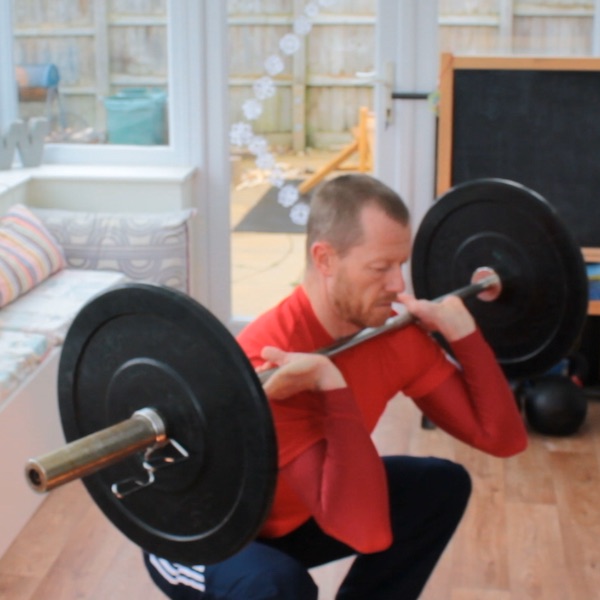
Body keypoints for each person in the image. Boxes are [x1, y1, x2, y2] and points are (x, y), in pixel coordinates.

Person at [144, 174, 528, 599]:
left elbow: (503, 439)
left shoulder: (391, 335)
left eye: (400, 264)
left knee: (440, 488)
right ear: (325, 259)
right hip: (203, 533)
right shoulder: (271, 362)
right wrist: (332, 386)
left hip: (294, 518)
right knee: (275, 585)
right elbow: (364, 529)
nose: (399, 285)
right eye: (380, 268)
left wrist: (465, 336)